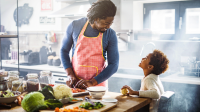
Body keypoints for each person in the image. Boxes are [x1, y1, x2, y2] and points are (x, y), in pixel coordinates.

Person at [60, 0, 119, 89]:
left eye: (111, 23)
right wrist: (70, 74)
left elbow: (114, 64)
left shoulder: (110, 34)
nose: (108, 27)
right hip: (75, 84)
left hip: (97, 87)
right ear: (96, 18)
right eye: (106, 23)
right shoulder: (75, 26)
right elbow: (64, 51)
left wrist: (92, 82)